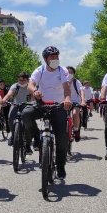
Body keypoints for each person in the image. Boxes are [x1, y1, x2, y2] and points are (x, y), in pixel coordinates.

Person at [22, 46, 73, 179]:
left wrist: (67, 98)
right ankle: (37, 138)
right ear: (46, 59)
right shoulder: (40, 70)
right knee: (26, 114)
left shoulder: (63, 71)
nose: (55, 59)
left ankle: (60, 166)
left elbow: (66, 88)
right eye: (52, 57)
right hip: (42, 104)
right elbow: (30, 84)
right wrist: (35, 91)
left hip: (58, 106)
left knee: (61, 139)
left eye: (57, 56)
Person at [0, 72, 32, 147]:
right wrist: (3, 100)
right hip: (15, 105)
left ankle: (28, 144)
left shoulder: (30, 86)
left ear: (27, 80)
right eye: (20, 80)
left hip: (27, 106)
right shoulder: (15, 86)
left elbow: (33, 96)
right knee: (10, 118)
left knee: (28, 122)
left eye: (23, 80)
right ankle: (14, 135)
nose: (21, 82)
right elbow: (9, 94)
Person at [66, 66, 85, 142]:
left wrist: (83, 100)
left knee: (75, 113)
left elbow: (81, 91)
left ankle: (76, 129)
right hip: (64, 101)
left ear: (74, 74)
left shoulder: (76, 82)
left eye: (71, 72)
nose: (69, 74)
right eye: (68, 72)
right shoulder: (61, 81)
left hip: (75, 101)